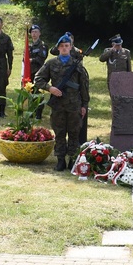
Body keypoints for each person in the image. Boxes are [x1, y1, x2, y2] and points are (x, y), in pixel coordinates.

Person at [34, 34, 90, 171]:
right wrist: (50, 88)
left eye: (67, 46)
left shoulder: (77, 65)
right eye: (62, 46)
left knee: (74, 132)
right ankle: (60, 160)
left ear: (71, 47)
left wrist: (84, 105)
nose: (64, 48)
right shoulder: (51, 63)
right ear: (58, 48)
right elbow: (38, 79)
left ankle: (72, 159)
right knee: (59, 132)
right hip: (58, 105)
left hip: (74, 105)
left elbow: (84, 86)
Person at [28, 25, 49, 120]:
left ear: (39, 33)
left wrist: (32, 60)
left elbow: (41, 58)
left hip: (39, 72)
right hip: (29, 73)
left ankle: (38, 113)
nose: (34, 34)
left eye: (36, 32)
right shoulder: (29, 46)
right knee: (30, 92)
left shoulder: (43, 45)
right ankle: (31, 111)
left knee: (39, 93)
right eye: (32, 32)